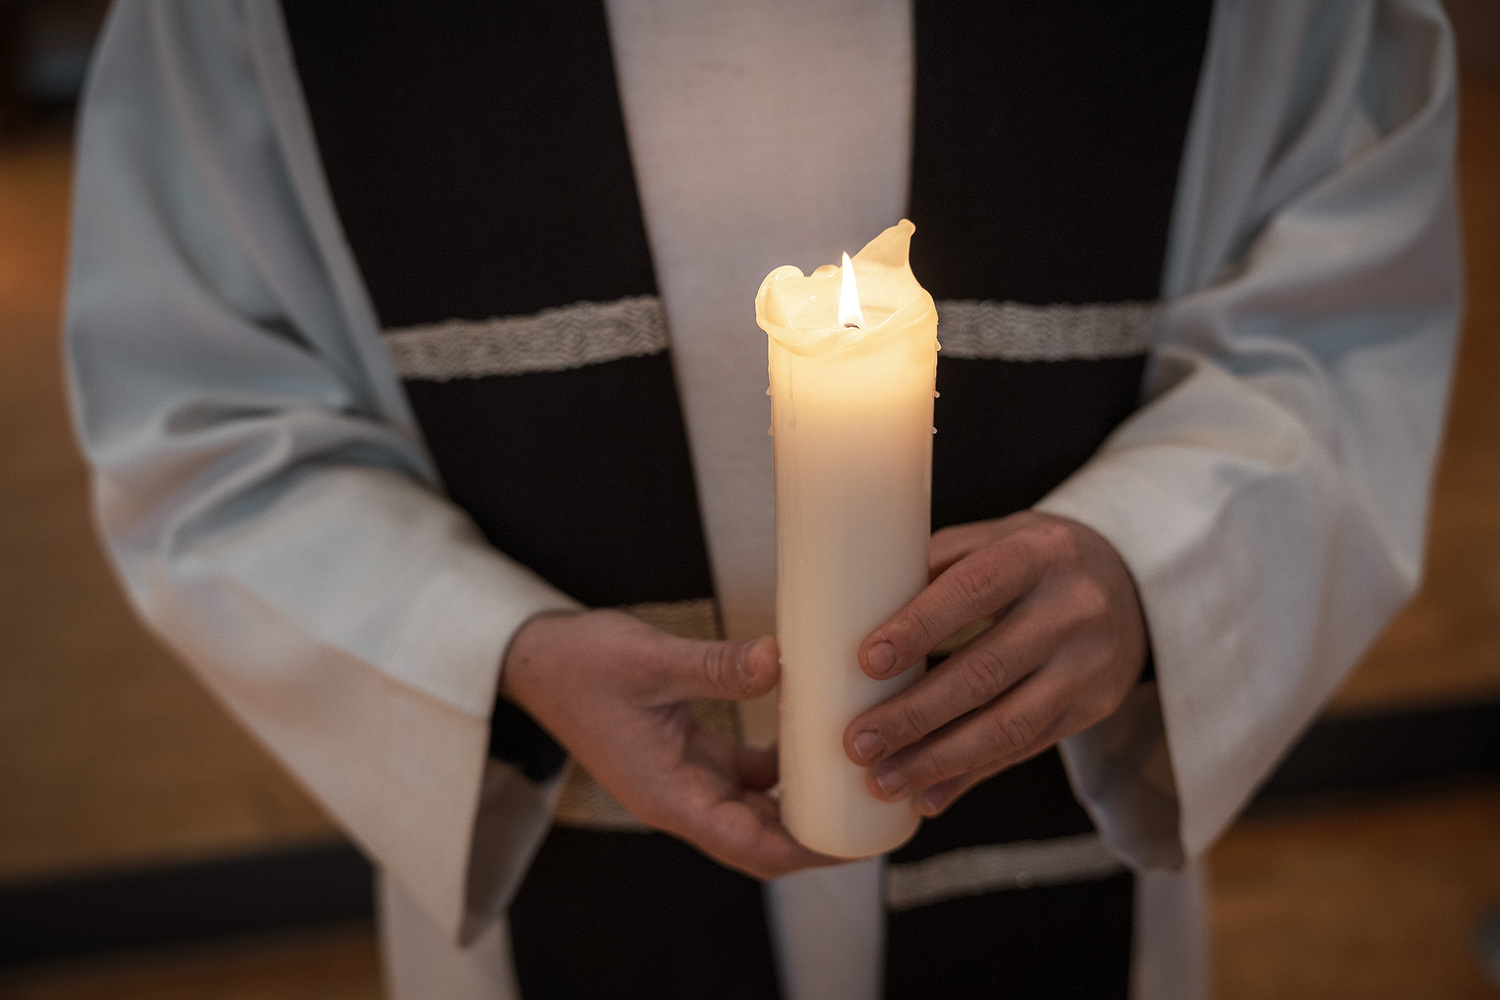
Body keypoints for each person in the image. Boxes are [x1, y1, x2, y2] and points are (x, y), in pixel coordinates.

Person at [64, 2, 1461, 998]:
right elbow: (203, 407)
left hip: (1058, 878)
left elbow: (1338, 314)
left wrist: (1148, 563)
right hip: (571, 884)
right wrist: (491, 653)